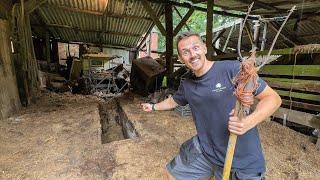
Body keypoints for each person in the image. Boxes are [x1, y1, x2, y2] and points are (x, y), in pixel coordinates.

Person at [141, 32, 282, 180]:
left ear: (204, 49)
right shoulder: (187, 84)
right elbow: (173, 101)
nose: (192, 55)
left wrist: (248, 122)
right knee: (173, 174)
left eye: (195, 48)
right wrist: (153, 107)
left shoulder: (232, 70)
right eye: (185, 52)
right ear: (182, 59)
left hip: (241, 161)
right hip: (206, 151)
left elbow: (273, 98)